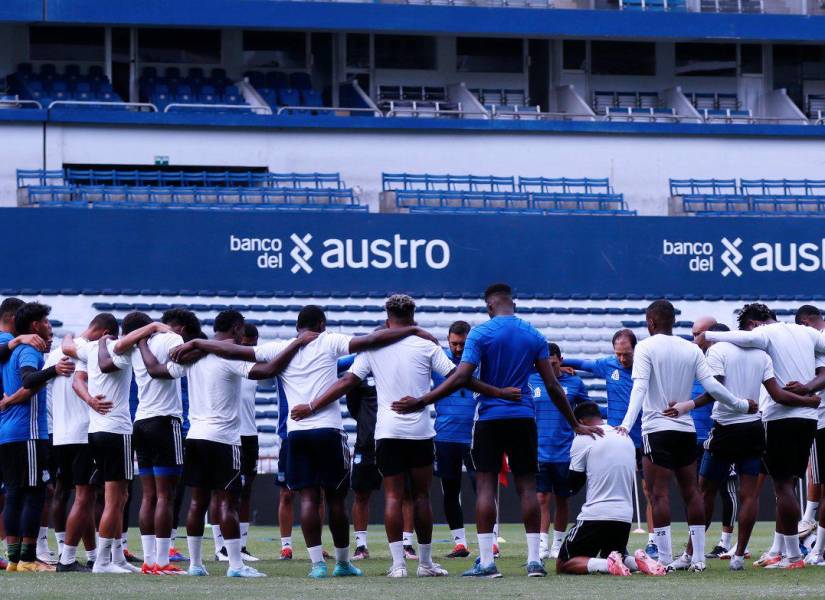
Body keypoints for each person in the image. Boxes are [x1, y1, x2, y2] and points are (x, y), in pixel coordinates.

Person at [168, 305, 439, 579]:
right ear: (321, 323)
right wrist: (413, 329)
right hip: (327, 430)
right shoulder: (329, 340)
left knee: (308, 499)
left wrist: (200, 343)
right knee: (335, 500)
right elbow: (369, 341)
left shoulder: (278, 347)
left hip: (295, 432)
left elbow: (234, 351)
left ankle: (316, 565)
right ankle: (343, 563)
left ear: (298, 326)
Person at [300, 295, 517, 578]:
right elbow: (459, 377)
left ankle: (398, 566)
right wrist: (498, 392)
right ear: (413, 317)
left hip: (387, 431)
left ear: (388, 318)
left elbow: (347, 382)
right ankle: (425, 564)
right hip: (419, 431)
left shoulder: (375, 346)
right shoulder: (425, 344)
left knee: (393, 496)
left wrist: (312, 405)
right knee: (421, 497)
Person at [394, 283, 601, 579]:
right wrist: (575, 423)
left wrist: (422, 400)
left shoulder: (480, 332)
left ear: (490, 307)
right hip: (523, 418)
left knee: (486, 487)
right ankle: (534, 562)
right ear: (512, 304)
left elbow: (462, 377)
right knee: (528, 487)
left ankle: (488, 563)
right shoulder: (534, 334)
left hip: (490, 419)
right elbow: (554, 386)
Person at [139, 309, 312, 578]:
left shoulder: (194, 357)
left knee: (197, 503)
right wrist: (296, 344)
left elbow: (156, 370)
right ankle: (235, 565)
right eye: (242, 331)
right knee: (227, 502)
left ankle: (196, 565)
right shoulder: (228, 356)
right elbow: (267, 369)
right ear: (236, 328)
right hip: (224, 439)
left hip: (195, 436)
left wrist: (140, 342)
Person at [667, 321, 817, 571]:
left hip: (726, 428)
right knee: (749, 495)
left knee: (704, 492)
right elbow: (778, 395)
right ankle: (738, 556)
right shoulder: (761, 355)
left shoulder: (717, 351)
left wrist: (688, 405)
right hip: (754, 429)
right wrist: (807, 401)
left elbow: (715, 390)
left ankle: (692, 555)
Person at [618, 300, 753, 573]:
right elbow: (713, 386)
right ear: (672, 322)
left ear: (651, 323)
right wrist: (741, 404)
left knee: (658, 495)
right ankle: (699, 558)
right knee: (692, 493)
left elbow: (639, 389)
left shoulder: (644, 347)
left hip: (656, 429)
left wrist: (624, 424)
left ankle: (665, 558)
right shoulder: (691, 349)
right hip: (685, 429)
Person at [702, 303, 825, 569]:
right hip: (809, 420)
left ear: (756, 324)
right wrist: (807, 390)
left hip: (779, 417)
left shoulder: (765, 333)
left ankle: (792, 557)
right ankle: (781, 551)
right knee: (788, 486)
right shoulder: (807, 333)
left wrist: (708, 336)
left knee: (782, 488)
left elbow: (745, 338)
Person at [101, 312, 187, 574]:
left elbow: (112, 355)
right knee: (166, 496)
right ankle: (162, 561)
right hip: (165, 421)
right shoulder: (170, 338)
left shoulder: (130, 349)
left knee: (148, 495)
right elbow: (178, 370)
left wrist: (138, 340)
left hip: (141, 423)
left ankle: (150, 560)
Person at [563, 329, 659, 558]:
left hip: (644, 435)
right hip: (618, 440)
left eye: (626, 354)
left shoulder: (646, 367)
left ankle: (653, 541)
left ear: (636, 349)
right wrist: (560, 365)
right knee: (616, 490)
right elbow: (584, 363)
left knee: (650, 491)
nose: (623, 359)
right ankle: (617, 543)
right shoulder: (608, 365)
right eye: (619, 354)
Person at [0, 302, 72, 572]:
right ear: (35, 325)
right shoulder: (28, 349)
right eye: (46, 322)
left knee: (16, 494)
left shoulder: (8, 351)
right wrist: (55, 370)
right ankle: (28, 559)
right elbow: (29, 380)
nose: (49, 327)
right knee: (34, 494)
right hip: (27, 433)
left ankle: (15, 559)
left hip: (8, 434)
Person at [556, 401, 665, 577]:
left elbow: (573, 484)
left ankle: (608, 566)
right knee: (614, 553)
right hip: (624, 517)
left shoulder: (583, 437)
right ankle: (637, 562)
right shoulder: (624, 436)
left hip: (596, 514)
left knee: (564, 562)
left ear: (581, 421)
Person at [64, 320, 138, 574]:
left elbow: (68, 347)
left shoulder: (87, 350)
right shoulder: (116, 347)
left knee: (116, 498)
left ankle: (115, 558)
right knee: (114, 500)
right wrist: (152, 329)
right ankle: (104, 562)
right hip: (117, 431)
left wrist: (73, 333)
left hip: (95, 432)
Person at [52, 314, 118, 572]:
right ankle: (67, 559)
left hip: (60, 435)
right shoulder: (91, 351)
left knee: (82, 498)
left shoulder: (57, 351)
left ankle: (91, 555)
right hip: (82, 433)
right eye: (111, 337)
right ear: (104, 332)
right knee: (84, 497)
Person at [533, 343, 590, 560]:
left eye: (554, 363)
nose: (550, 367)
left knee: (563, 499)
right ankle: (541, 544)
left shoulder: (575, 383)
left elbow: (588, 409)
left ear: (561, 360)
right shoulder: (531, 380)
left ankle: (557, 544)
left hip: (565, 451)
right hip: (538, 450)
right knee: (541, 498)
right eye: (545, 364)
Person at [691, 316, 739, 560]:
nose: (695, 338)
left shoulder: (723, 358)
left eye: (698, 333)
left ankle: (726, 542)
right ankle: (696, 547)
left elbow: (715, 391)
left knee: (727, 487)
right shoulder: (696, 359)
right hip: (699, 436)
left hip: (725, 429)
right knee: (703, 489)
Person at [431, 321, 476, 559]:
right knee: (450, 490)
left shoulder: (480, 362)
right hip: (445, 436)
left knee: (483, 489)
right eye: (454, 344)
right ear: (448, 341)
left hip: (475, 436)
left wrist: (563, 367)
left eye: (462, 344)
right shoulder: (437, 362)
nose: (458, 348)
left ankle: (490, 543)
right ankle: (460, 543)